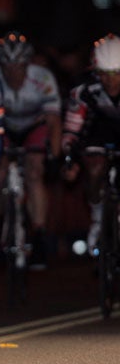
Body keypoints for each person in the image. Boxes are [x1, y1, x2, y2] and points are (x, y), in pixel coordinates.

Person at [0, 31, 61, 269]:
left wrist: (55, 156)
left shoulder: (43, 77)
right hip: (4, 129)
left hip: (34, 127)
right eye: (7, 67)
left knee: (34, 172)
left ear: (28, 64)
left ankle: (39, 234)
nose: (13, 73)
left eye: (19, 67)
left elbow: (53, 122)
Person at [62, 33, 120, 255]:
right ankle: (97, 216)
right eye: (104, 74)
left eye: (116, 74)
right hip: (98, 130)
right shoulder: (83, 87)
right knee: (95, 167)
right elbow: (72, 128)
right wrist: (70, 158)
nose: (110, 81)